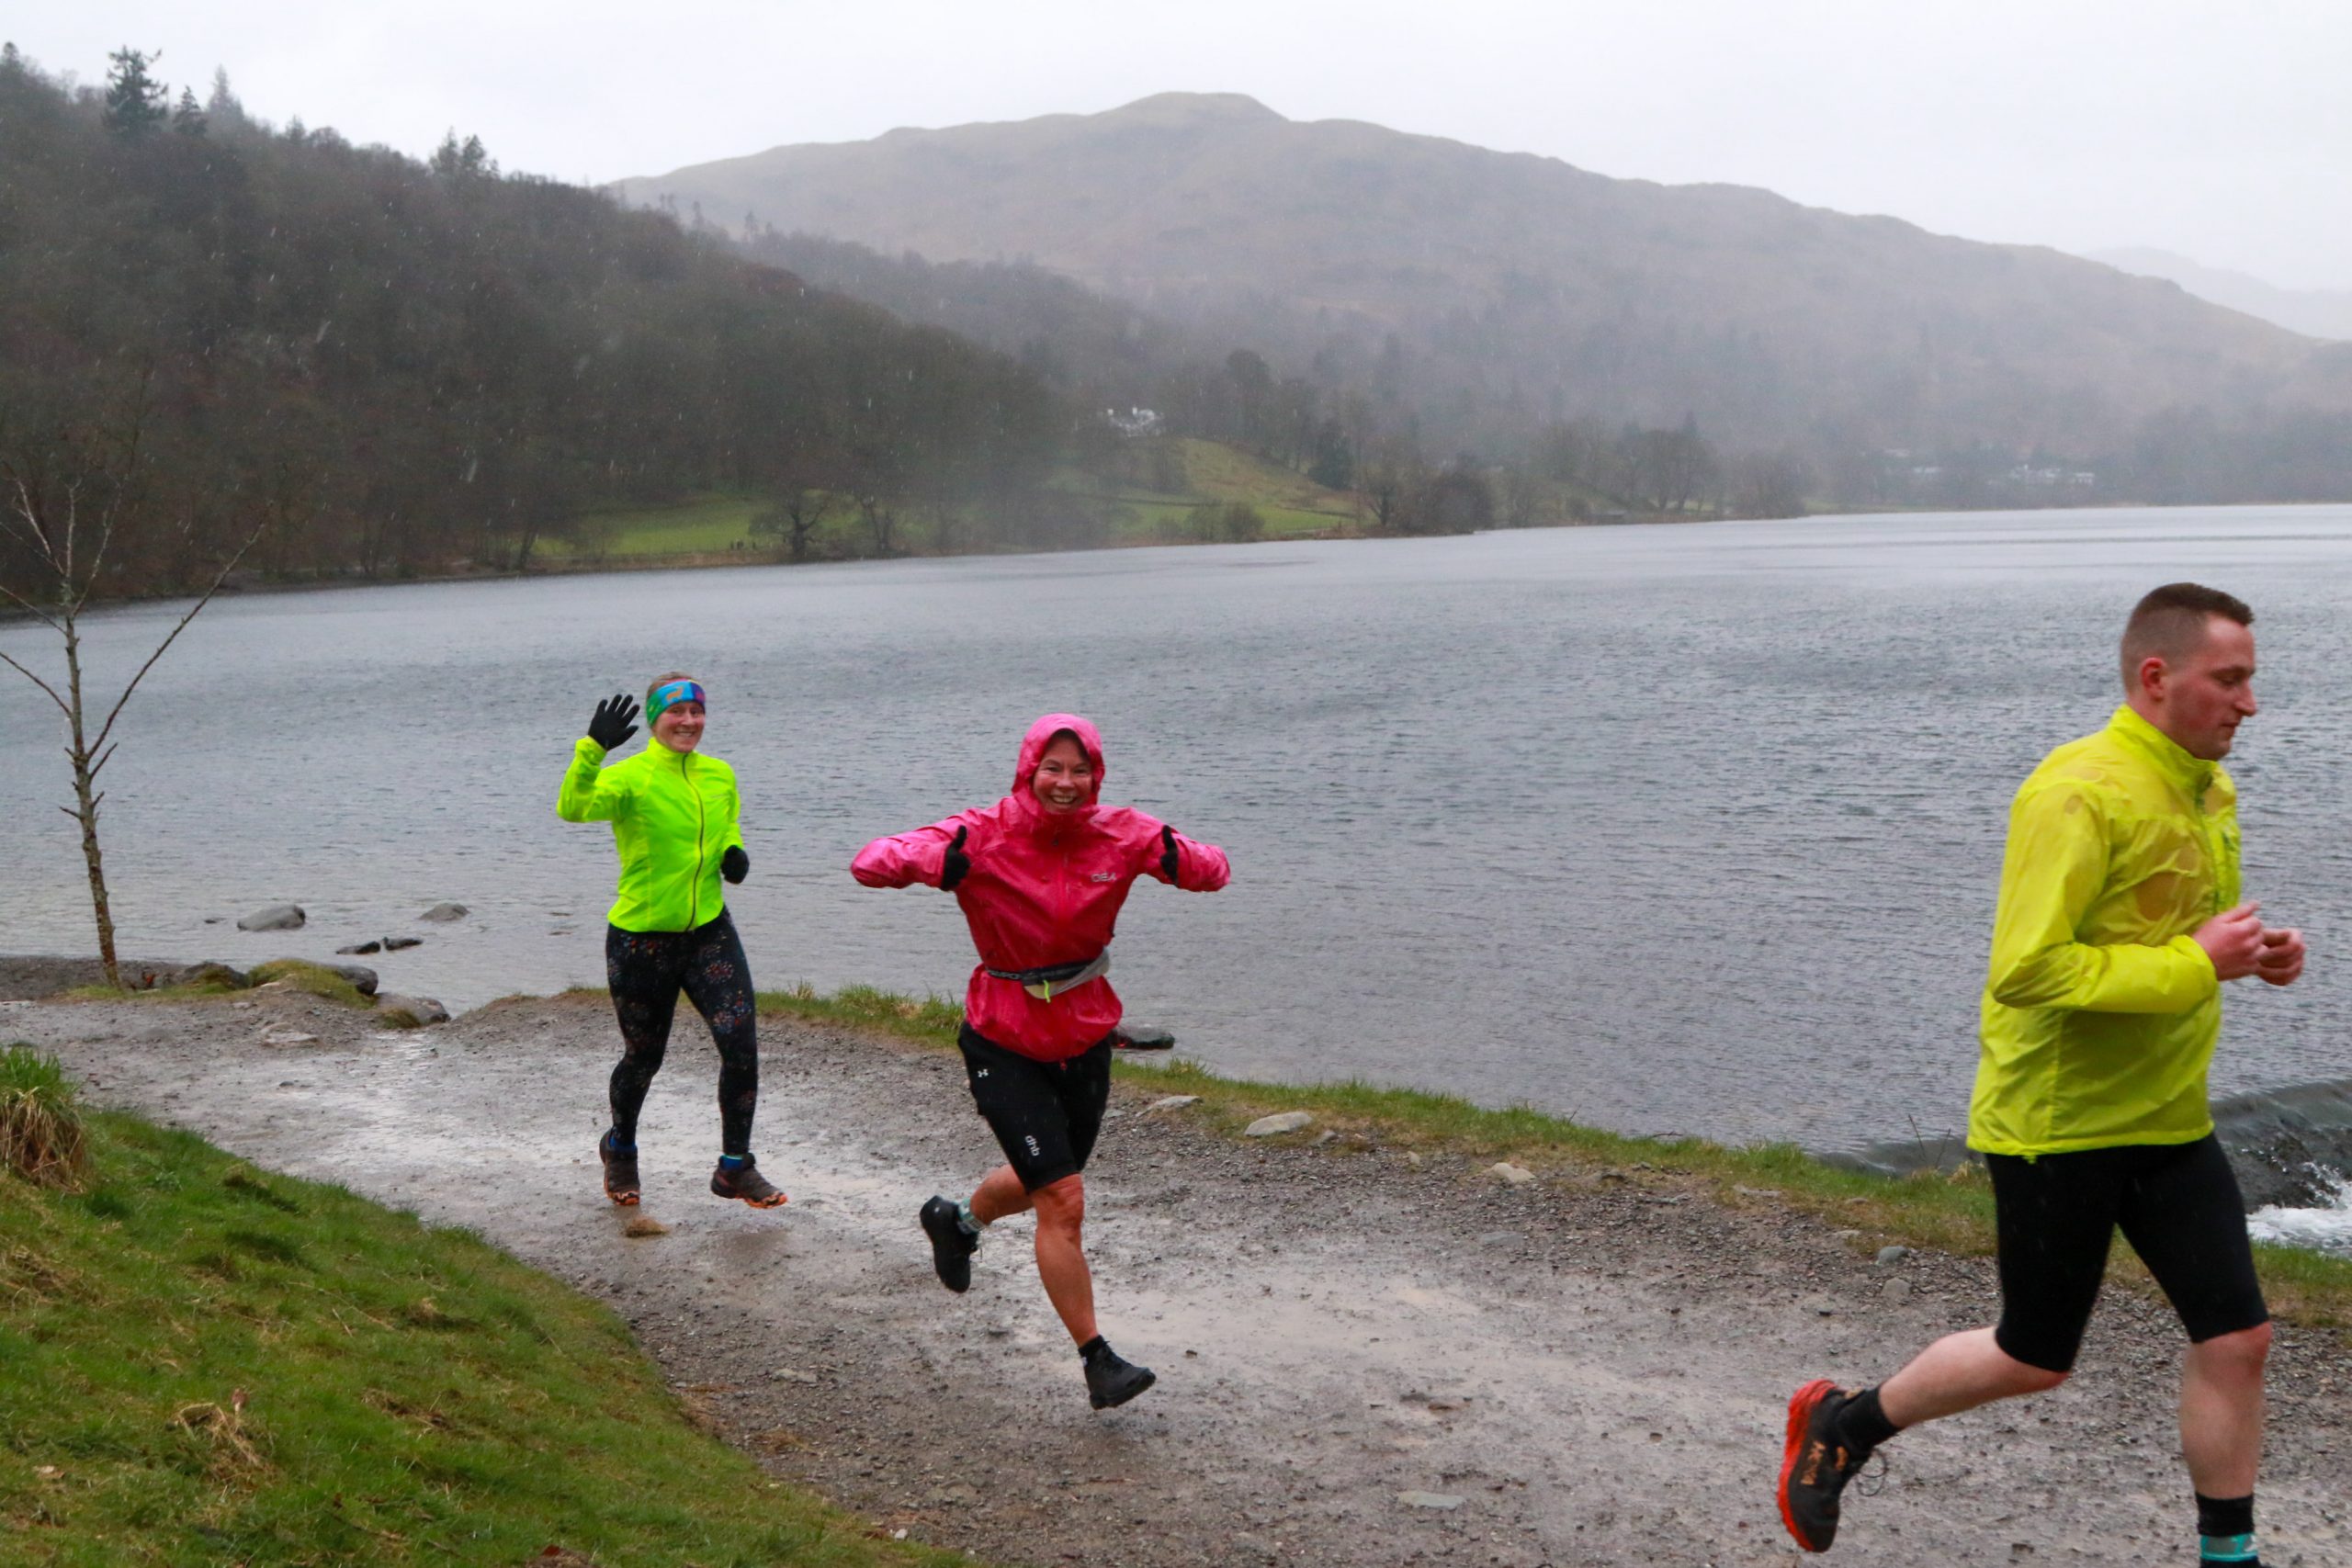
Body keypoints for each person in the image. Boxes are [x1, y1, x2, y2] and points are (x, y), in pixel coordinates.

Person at [1778, 584, 2305, 1563]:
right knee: (2032, 1358)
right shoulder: (2074, 792)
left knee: (2238, 1340)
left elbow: (2167, 935)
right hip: (2059, 1126)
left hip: (2169, 1118)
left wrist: (2258, 952)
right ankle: (1842, 1425)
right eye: (2228, 681)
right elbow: (2026, 971)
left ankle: (2227, 1557)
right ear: (2157, 678)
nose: (2248, 703)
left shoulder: (2203, 785)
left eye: (2250, 681)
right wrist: (2198, 961)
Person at [851, 714, 1230, 1409]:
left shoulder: (1122, 831)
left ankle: (956, 1219)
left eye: (1078, 770)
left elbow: (1216, 870)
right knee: (1063, 1197)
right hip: (1003, 1036)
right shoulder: (980, 832)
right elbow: (870, 860)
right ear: (1028, 770)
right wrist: (930, 861)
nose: (1065, 783)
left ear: (1096, 774)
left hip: (1084, 1034)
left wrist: (1182, 858)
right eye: (1051, 769)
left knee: (1043, 1179)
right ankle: (1098, 1359)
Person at [557, 673, 785, 1210]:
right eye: (676, 712)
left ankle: (735, 1167)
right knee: (644, 1056)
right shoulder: (629, 778)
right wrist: (591, 749)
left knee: (741, 1045)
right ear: (656, 719)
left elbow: (727, 824)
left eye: (697, 712)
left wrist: (733, 852)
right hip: (641, 939)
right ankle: (621, 1149)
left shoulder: (719, 774)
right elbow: (572, 807)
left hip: (709, 932)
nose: (688, 722)